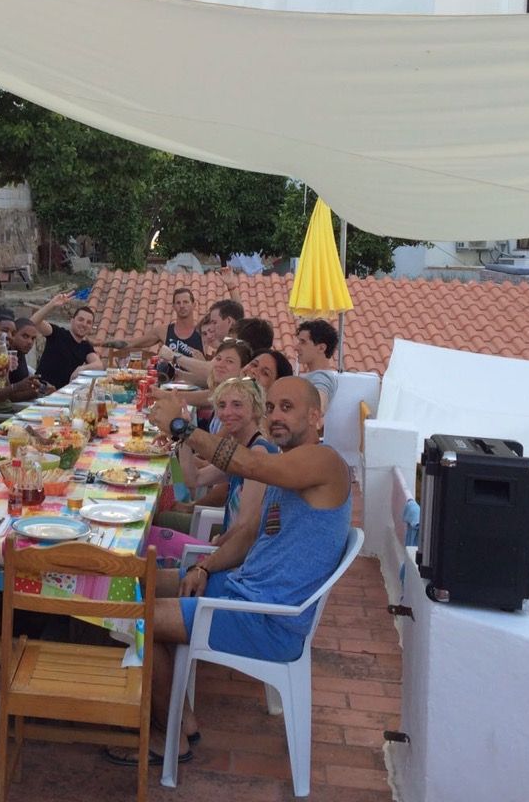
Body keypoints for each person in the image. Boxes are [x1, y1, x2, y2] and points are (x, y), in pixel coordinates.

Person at [107, 378, 351, 765]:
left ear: (316, 417)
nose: (275, 417)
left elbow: (249, 462)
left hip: (266, 620)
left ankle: (165, 736)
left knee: (139, 617)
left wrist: (182, 428)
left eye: (287, 408)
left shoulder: (324, 462)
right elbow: (247, 533)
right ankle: (179, 720)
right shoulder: (286, 469)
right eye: (270, 408)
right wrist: (204, 566)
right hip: (240, 592)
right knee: (139, 582)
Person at [162, 378, 280, 536]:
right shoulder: (240, 450)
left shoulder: (257, 453)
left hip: (236, 554)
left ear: (256, 410)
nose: (227, 412)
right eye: (222, 405)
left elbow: (244, 528)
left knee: (157, 524)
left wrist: (218, 547)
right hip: (226, 543)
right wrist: (184, 435)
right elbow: (194, 479)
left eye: (237, 405)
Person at [103, 287, 203, 358]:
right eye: (178, 303)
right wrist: (100, 343)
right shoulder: (164, 331)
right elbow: (130, 343)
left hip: (195, 385)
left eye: (185, 302)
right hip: (168, 384)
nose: (181, 306)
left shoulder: (203, 333)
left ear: (194, 305)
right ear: (173, 307)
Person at [30, 293, 100, 389]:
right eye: (81, 320)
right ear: (72, 321)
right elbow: (33, 322)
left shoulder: (86, 346)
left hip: (62, 394)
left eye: (88, 322)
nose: (84, 324)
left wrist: (81, 369)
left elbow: (99, 365)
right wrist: (52, 304)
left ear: (91, 327)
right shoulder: (57, 333)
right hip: (41, 388)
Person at [295, 319, 339, 409]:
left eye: (303, 342)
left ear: (321, 348)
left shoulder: (321, 377)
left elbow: (319, 407)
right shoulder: (317, 376)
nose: (296, 347)